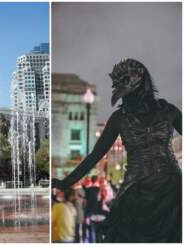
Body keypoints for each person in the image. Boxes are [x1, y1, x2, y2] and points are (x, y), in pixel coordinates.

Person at [53, 59, 182, 242]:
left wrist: (65, 183)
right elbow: (95, 156)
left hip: (160, 192)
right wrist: (65, 183)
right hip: (154, 190)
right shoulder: (125, 117)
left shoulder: (164, 111)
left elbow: (93, 157)